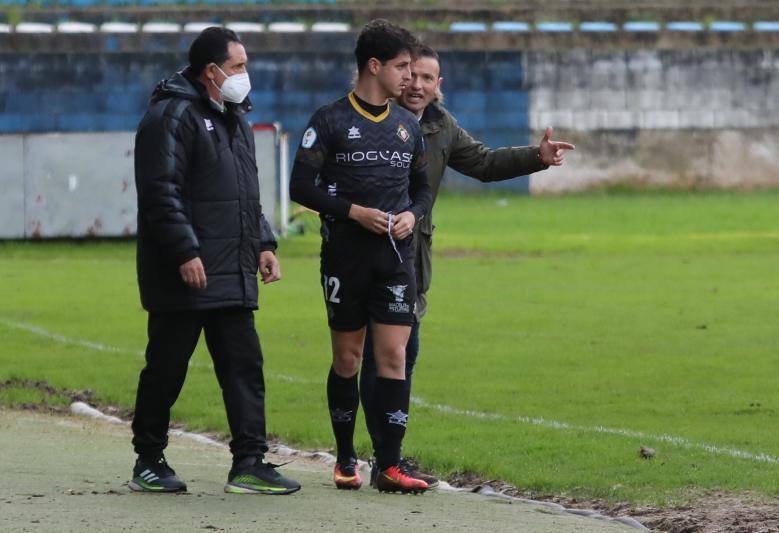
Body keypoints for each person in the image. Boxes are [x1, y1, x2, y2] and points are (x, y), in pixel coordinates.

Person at [359, 44, 576, 488]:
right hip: (361, 253)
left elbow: (483, 162)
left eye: (427, 79)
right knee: (365, 357)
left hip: (411, 259)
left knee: (403, 354)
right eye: (411, 75)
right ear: (396, 76)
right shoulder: (370, 120)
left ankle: (388, 457)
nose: (417, 85)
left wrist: (537, 157)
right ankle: (368, 455)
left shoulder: (440, 126)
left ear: (439, 86)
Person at [130, 26, 300, 496]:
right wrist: (185, 251)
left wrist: (264, 243)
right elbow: (160, 193)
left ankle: (249, 462)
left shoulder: (235, 119)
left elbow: (246, 193)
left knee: (245, 366)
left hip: (233, 268)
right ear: (212, 71)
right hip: (185, 272)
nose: (246, 75)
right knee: (167, 367)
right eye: (239, 66)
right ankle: (148, 459)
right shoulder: (170, 116)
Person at [290, 19, 433, 494]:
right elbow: (300, 186)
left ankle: (389, 466)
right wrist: (354, 212)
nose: (410, 80)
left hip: (395, 259)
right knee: (348, 359)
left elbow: (422, 187)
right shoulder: (329, 120)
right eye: (402, 68)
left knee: (393, 355)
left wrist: (413, 214)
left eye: (413, 70)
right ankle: (346, 455)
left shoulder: (408, 127)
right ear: (374, 66)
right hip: (345, 260)